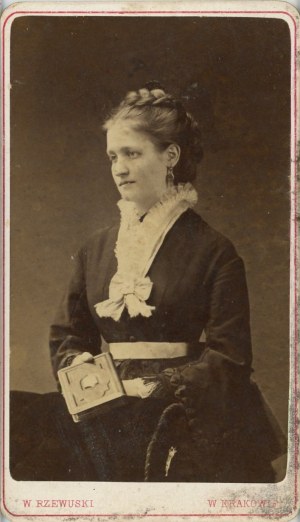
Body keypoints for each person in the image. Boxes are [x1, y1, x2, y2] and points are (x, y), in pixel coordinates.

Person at [11, 82, 285, 482]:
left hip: (177, 411)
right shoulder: (96, 249)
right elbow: (68, 336)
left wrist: (156, 388)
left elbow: (231, 357)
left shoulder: (213, 251)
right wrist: (84, 371)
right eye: (112, 156)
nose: (118, 168)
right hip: (105, 407)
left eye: (132, 153)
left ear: (170, 155)